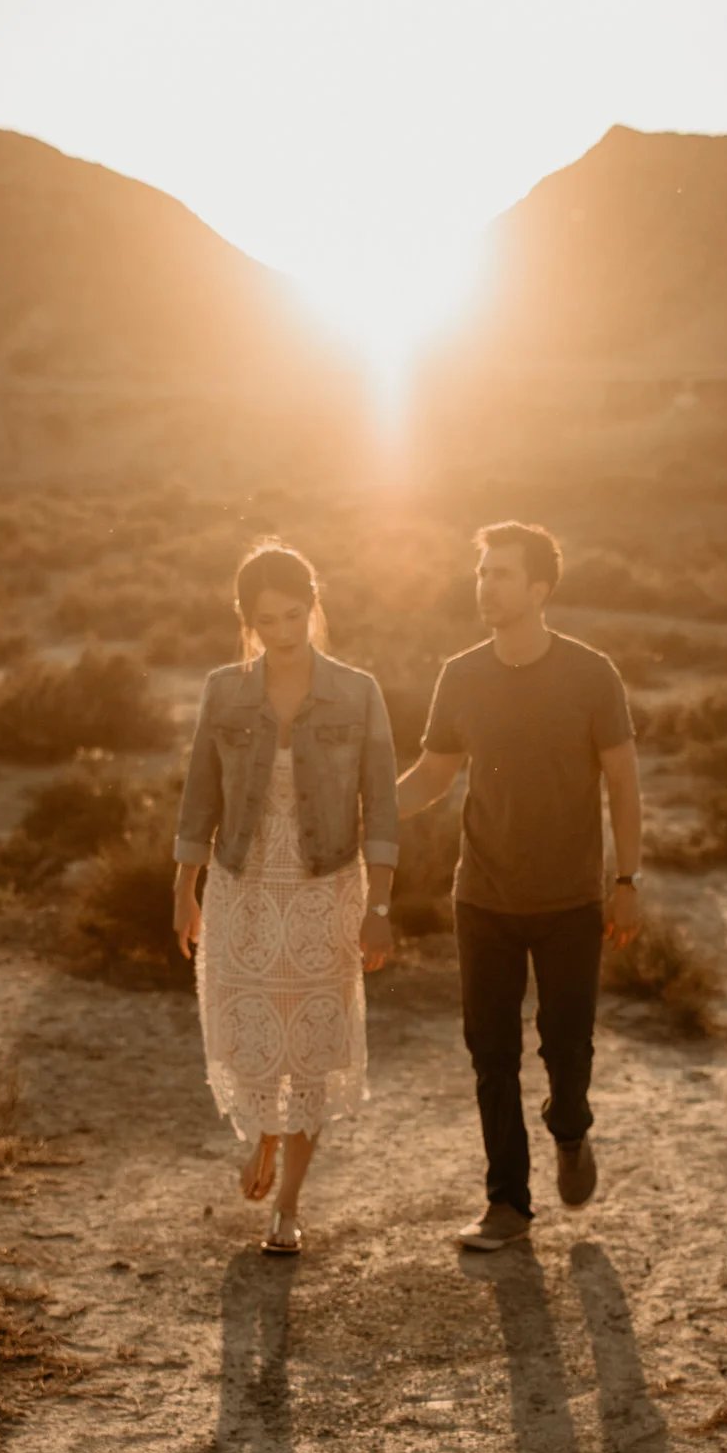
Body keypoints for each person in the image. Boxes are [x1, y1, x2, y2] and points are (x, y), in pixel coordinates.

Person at [395, 522, 642, 1252]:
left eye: (501, 574)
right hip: (484, 896)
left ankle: (570, 1127)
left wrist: (625, 877)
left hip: (571, 898)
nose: (485, 585)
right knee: (489, 1049)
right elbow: (435, 777)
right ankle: (508, 1201)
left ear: (539, 588)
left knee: (567, 1043)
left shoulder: (592, 674)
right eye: (482, 573)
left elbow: (624, 781)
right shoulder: (461, 675)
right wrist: (364, 802)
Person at [173, 543, 399, 1255]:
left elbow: (384, 809)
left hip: (325, 888)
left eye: (294, 613)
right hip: (241, 883)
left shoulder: (358, 691)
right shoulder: (222, 689)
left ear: (314, 603)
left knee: (312, 1045)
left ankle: (289, 1207)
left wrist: (380, 905)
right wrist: (184, 889)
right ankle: (263, 1133)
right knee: (250, 1035)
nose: (283, 630)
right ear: (248, 620)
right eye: (266, 619)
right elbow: (197, 798)